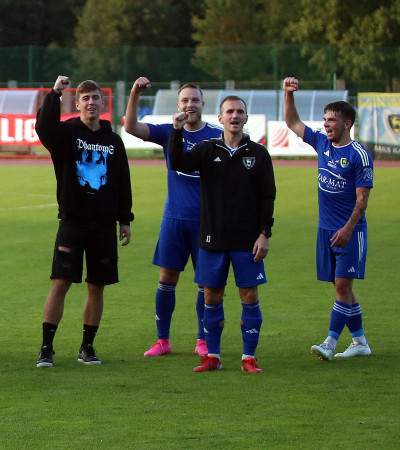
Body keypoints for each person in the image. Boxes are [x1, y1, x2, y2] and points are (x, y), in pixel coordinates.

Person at [168, 95, 276, 373]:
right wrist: (176, 131)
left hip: (247, 239)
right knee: (211, 296)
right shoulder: (207, 149)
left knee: (248, 295)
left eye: (239, 112)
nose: (234, 116)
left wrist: (264, 233)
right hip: (212, 237)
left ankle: (248, 357)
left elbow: (267, 197)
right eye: (229, 112)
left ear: (246, 118)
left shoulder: (258, 153)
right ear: (220, 118)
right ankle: (212, 356)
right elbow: (178, 162)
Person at [35, 75, 134, 367]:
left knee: (97, 286)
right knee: (60, 283)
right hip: (72, 222)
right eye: (85, 98)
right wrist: (54, 93)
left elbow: (122, 180)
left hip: (103, 225)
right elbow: (43, 127)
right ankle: (46, 348)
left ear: (103, 103)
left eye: (95, 98)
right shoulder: (65, 134)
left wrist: (125, 219)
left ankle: (87, 347)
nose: (91, 102)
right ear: (77, 104)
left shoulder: (113, 141)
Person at [124, 77, 222, 357]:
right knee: (167, 277)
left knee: (205, 282)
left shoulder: (217, 136)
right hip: (174, 219)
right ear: (178, 105)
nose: (190, 104)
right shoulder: (169, 131)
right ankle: (162, 340)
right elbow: (130, 127)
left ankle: (202, 339)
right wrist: (134, 93)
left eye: (195, 100)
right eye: (185, 100)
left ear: (203, 104)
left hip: (207, 222)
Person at [283, 76, 373, 361]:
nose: (326, 124)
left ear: (347, 123)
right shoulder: (322, 143)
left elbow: (362, 200)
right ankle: (360, 342)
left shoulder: (359, 155)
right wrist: (288, 94)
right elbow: (292, 122)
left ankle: (330, 343)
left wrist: (348, 229)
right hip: (325, 229)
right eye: (324, 119)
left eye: (332, 119)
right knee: (341, 287)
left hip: (351, 232)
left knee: (343, 287)